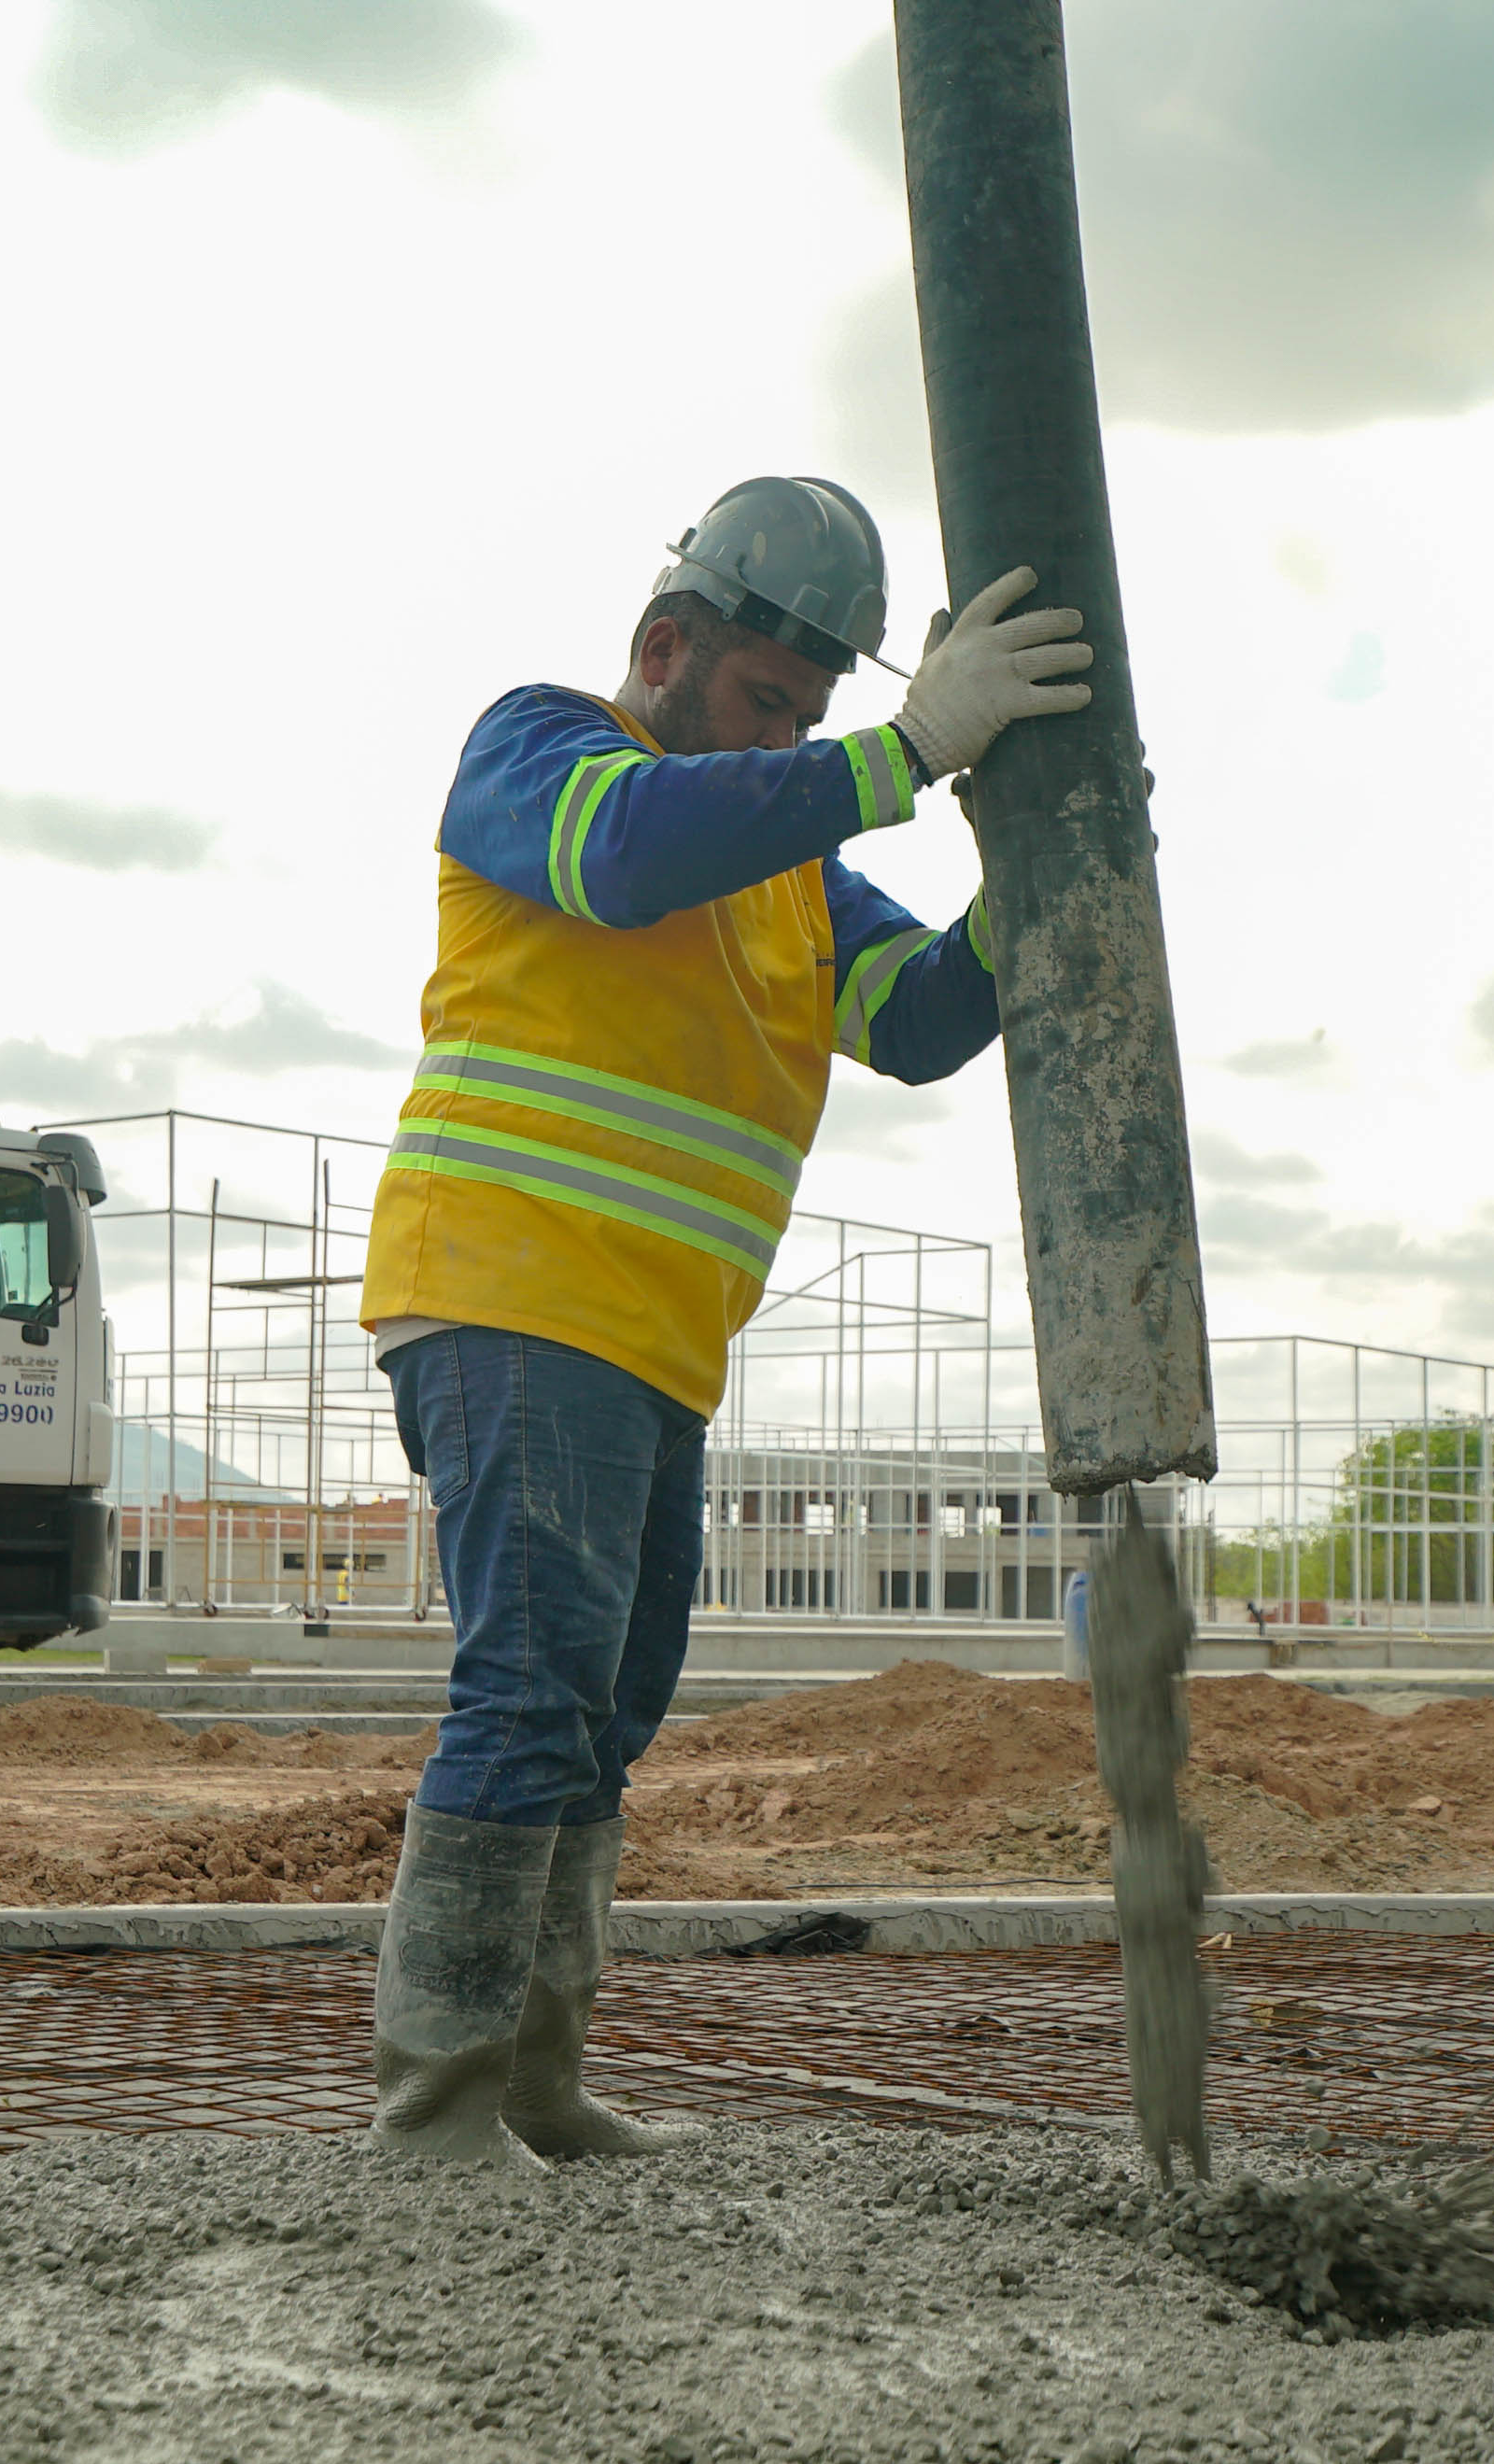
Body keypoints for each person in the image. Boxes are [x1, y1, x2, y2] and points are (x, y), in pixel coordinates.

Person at [355, 473, 1093, 2166]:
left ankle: (534, 2079)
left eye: (817, 713)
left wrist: (1033, 869)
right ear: (664, 648)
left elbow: (914, 1021)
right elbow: (624, 861)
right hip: (510, 1291)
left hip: (653, 1342)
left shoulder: (793, 868)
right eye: (772, 704)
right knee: (529, 1689)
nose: (796, 737)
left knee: (604, 1714)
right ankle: (438, 2112)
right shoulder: (541, 750)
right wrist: (905, 756)